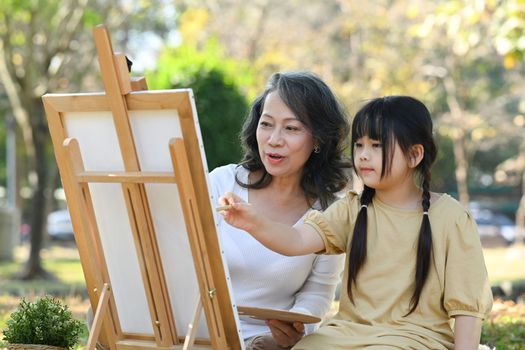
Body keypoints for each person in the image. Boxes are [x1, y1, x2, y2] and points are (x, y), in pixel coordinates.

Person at [218, 96, 493, 349]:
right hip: (346, 335)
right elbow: (296, 240)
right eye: (359, 144)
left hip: (413, 338)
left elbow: (467, 308)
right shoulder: (353, 207)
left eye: (376, 146)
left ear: (414, 155)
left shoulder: (451, 217)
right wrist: (253, 222)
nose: (362, 155)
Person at [209, 71, 349, 350]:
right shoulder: (221, 183)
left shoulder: (332, 210)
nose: (274, 139)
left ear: (318, 139)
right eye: (267, 124)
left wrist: (299, 328)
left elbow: (319, 292)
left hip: (263, 343)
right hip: (198, 332)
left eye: (291, 128)